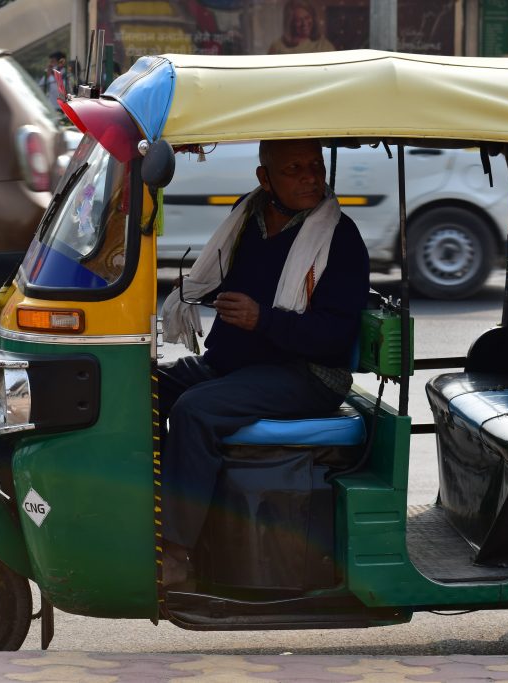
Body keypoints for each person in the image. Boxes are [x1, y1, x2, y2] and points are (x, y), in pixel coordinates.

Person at [157, 138, 369, 587]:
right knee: (137, 389)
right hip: (236, 364)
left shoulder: (340, 237)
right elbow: (229, 279)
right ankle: (149, 513)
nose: (311, 176)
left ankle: (177, 552)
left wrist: (262, 318)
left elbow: (333, 335)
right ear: (264, 178)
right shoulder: (246, 216)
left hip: (307, 375)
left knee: (195, 410)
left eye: (315, 165)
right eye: (295, 168)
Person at [268, 0, 335, 54]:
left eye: (307, 18)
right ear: (290, 23)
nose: (304, 23)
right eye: (298, 20)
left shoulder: (324, 46)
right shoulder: (277, 48)